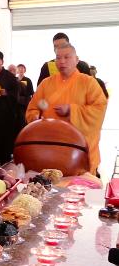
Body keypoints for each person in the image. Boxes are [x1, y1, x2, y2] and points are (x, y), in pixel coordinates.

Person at [26, 43, 107, 175]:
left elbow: (99, 108)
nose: (62, 61)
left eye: (67, 57)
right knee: (51, 189)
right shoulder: (46, 83)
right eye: (58, 58)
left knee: (79, 190)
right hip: (50, 148)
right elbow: (33, 108)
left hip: (78, 150)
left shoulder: (88, 82)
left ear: (77, 60)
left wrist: (72, 110)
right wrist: (35, 118)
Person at [16, 64, 34, 130]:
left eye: (22, 68)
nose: (21, 70)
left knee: (23, 119)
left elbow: (31, 92)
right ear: (17, 70)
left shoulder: (28, 80)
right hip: (16, 102)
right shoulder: (15, 79)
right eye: (19, 68)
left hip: (25, 102)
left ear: (25, 70)